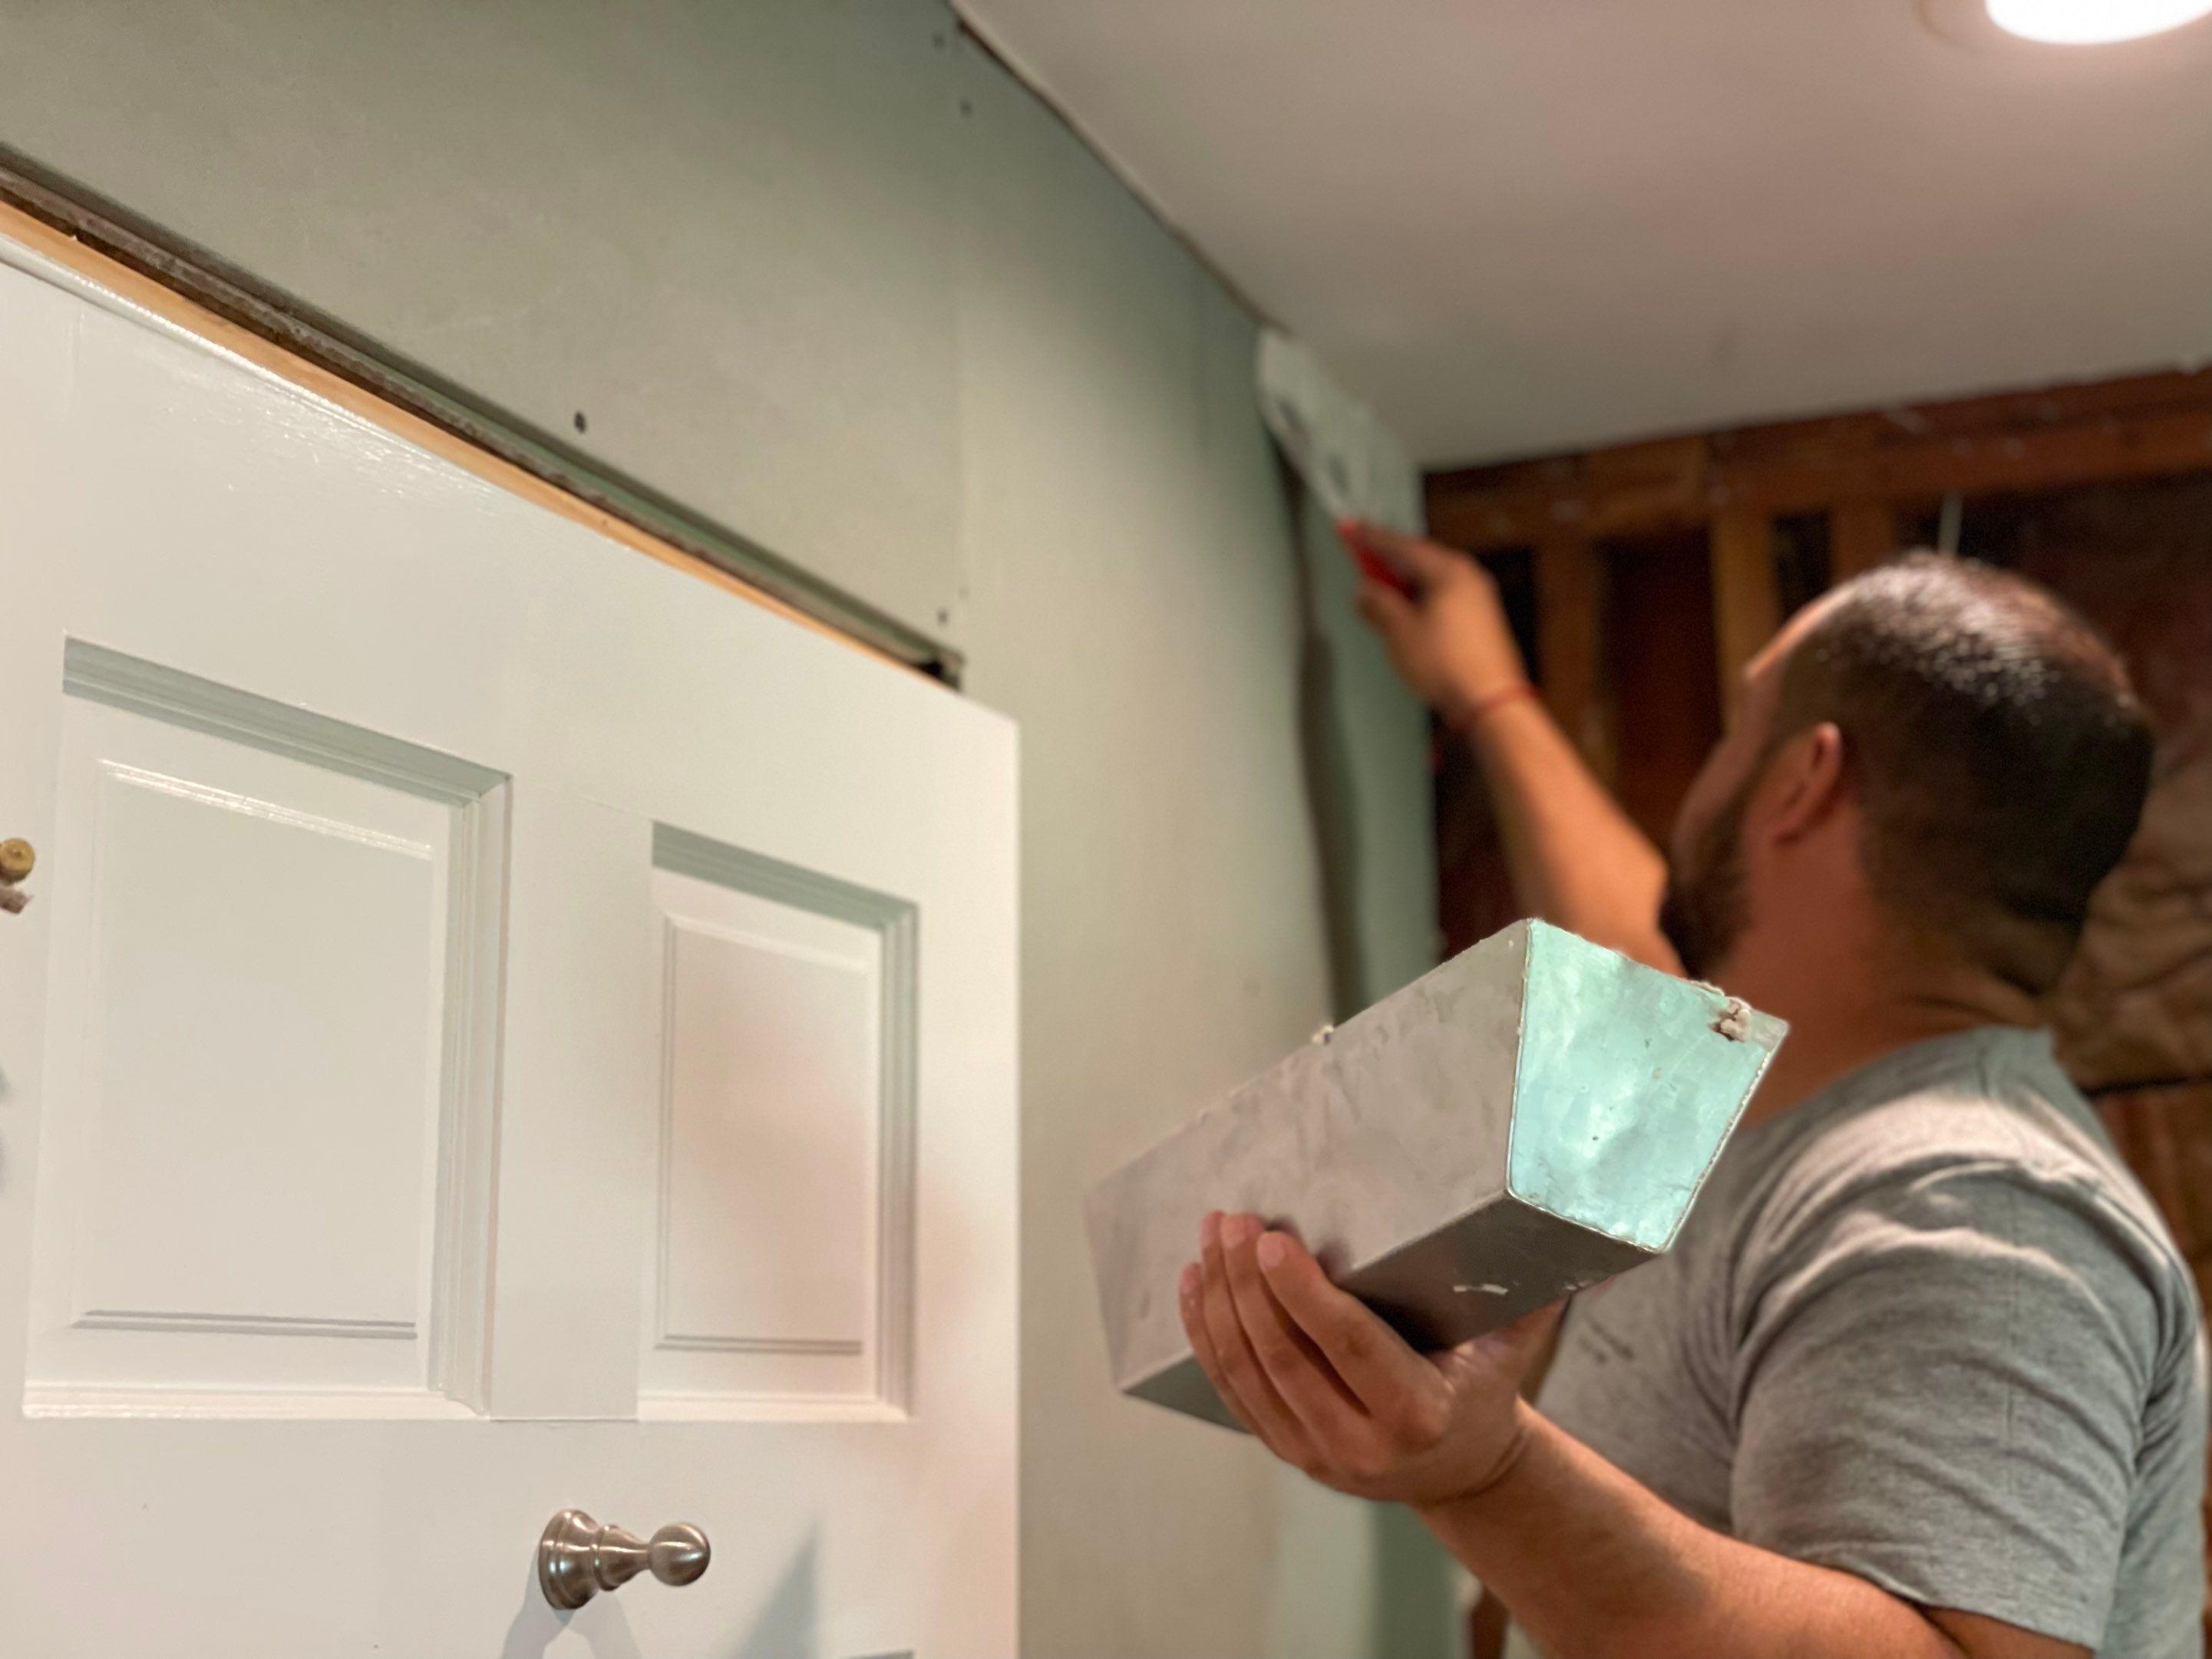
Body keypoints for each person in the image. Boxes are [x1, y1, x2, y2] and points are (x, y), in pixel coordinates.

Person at [1181, 528, 2207, 1659]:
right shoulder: (1782, 1090)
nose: (1708, 768)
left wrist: (1486, 1471)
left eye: (1737, 726)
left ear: (1803, 779)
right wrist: (1489, 694)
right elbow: (1644, 952)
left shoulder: (1962, 1203)